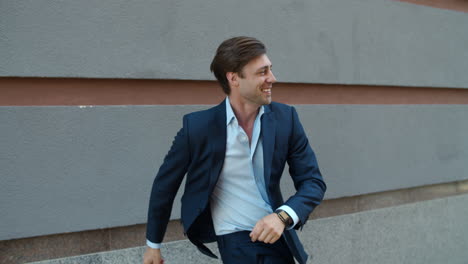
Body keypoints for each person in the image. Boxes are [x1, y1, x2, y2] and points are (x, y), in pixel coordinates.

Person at [143, 36, 326, 264]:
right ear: (234, 78)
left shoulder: (285, 119)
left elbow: (313, 182)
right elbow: (165, 186)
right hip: (235, 241)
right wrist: (153, 246)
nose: (272, 78)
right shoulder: (198, 128)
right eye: (262, 72)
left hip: (279, 236)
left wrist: (283, 216)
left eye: (270, 69)